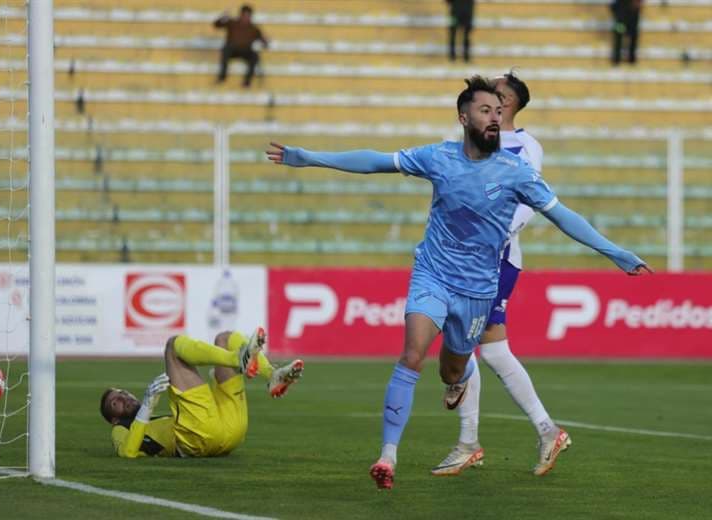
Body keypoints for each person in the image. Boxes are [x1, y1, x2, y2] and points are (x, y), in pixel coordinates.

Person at [266, 75, 652, 490]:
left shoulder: (516, 170)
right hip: (432, 274)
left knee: (453, 368)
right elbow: (376, 161)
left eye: (498, 111)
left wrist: (615, 252)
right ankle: (387, 457)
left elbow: (563, 216)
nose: (494, 118)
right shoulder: (438, 157)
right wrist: (309, 157)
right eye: (486, 110)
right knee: (412, 354)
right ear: (464, 117)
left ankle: (460, 382)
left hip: (477, 291)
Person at [431, 71, 565, 479]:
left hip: (495, 259)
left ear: (507, 102)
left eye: (496, 94)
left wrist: (493, 231)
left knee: (475, 345)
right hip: (465, 259)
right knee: (486, 348)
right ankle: (541, 431)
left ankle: (474, 441)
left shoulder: (524, 146)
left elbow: (529, 201)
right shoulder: (478, 141)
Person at [100, 327, 304, 458]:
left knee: (224, 338)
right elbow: (128, 452)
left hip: (230, 430)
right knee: (172, 346)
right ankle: (238, 360)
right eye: (115, 402)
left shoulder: (153, 421)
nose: (123, 398)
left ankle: (272, 375)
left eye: (123, 393)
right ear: (114, 420)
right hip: (199, 437)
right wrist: (146, 407)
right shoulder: (120, 429)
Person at [213, 4, 269, 88]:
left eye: (248, 16)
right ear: (241, 14)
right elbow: (216, 25)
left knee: (255, 56)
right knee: (225, 50)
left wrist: (265, 41)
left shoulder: (254, 28)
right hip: (232, 50)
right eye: (244, 15)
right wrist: (223, 18)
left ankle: (247, 82)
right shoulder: (232, 23)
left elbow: (264, 42)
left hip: (245, 51)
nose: (246, 18)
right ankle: (222, 77)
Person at [611, 0, 642, 65]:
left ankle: (631, 58)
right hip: (621, 14)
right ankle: (617, 58)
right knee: (618, 33)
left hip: (631, 14)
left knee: (633, 34)